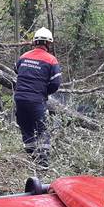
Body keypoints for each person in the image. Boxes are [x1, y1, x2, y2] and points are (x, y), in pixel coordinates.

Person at [14, 27, 62, 168]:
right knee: (42, 130)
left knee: (26, 128)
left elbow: (17, 71)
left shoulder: (23, 57)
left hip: (20, 99)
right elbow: (55, 83)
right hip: (36, 100)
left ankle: (31, 158)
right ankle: (43, 163)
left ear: (34, 42)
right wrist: (45, 93)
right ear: (48, 43)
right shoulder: (51, 60)